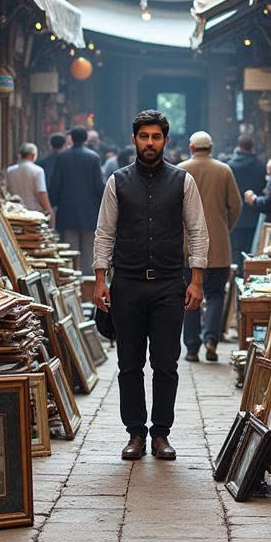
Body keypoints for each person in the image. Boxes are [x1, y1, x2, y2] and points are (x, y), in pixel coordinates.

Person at [93, 110, 208, 461]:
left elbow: (198, 230)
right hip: (126, 283)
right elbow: (104, 232)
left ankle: (161, 434)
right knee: (129, 363)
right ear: (134, 140)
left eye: (156, 137)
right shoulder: (117, 181)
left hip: (169, 285)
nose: (149, 143)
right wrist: (100, 278)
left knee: (165, 363)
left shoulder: (183, 181)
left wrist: (197, 279)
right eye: (144, 136)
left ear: (165, 141)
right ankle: (135, 434)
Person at [178, 131, 241, 362]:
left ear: (191, 148)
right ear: (211, 148)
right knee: (215, 294)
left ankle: (192, 347)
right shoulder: (224, 170)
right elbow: (235, 206)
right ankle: (212, 339)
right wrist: (225, 227)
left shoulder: (180, 170)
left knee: (188, 295)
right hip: (218, 246)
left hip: (187, 247)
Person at [48, 126, 105, 273]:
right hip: (90, 211)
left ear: (71, 138)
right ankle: (88, 285)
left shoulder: (62, 157)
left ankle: (72, 284)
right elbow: (98, 185)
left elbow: (56, 183)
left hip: (67, 210)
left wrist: (52, 203)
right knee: (88, 252)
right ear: (86, 138)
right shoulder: (94, 157)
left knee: (69, 252)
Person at [227, 134, 267, 271]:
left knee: (236, 251)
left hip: (235, 216)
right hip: (254, 214)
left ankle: (236, 279)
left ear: (238, 146)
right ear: (252, 148)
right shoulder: (260, 166)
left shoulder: (229, 166)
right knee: (252, 250)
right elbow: (263, 188)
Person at [6, 142, 53, 224]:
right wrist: (49, 210)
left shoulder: (10, 170)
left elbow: (9, 190)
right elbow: (41, 193)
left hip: (14, 211)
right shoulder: (38, 171)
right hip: (33, 212)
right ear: (32, 155)